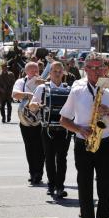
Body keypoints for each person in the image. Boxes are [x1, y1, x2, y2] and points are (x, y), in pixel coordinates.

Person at [60, 53, 109, 218]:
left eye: (100, 67)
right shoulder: (77, 89)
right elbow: (64, 120)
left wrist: (108, 112)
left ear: (105, 69)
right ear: (85, 69)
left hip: (105, 142)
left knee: (105, 189)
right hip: (83, 142)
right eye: (92, 68)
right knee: (85, 187)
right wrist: (79, 129)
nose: (97, 71)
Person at [30, 61, 72, 198]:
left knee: (62, 158)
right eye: (55, 71)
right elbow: (32, 105)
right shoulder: (42, 88)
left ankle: (60, 186)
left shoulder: (69, 89)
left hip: (64, 128)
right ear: (50, 73)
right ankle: (51, 185)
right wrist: (36, 104)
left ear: (64, 73)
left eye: (60, 71)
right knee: (49, 157)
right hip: (47, 128)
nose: (58, 73)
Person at [12, 62, 46, 185]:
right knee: (30, 147)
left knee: (41, 148)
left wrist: (43, 85)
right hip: (25, 119)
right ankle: (33, 173)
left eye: (36, 70)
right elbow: (14, 94)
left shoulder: (43, 82)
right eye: (32, 71)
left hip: (40, 119)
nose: (35, 73)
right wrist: (29, 95)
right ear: (26, 72)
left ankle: (39, 173)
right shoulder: (21, 82)